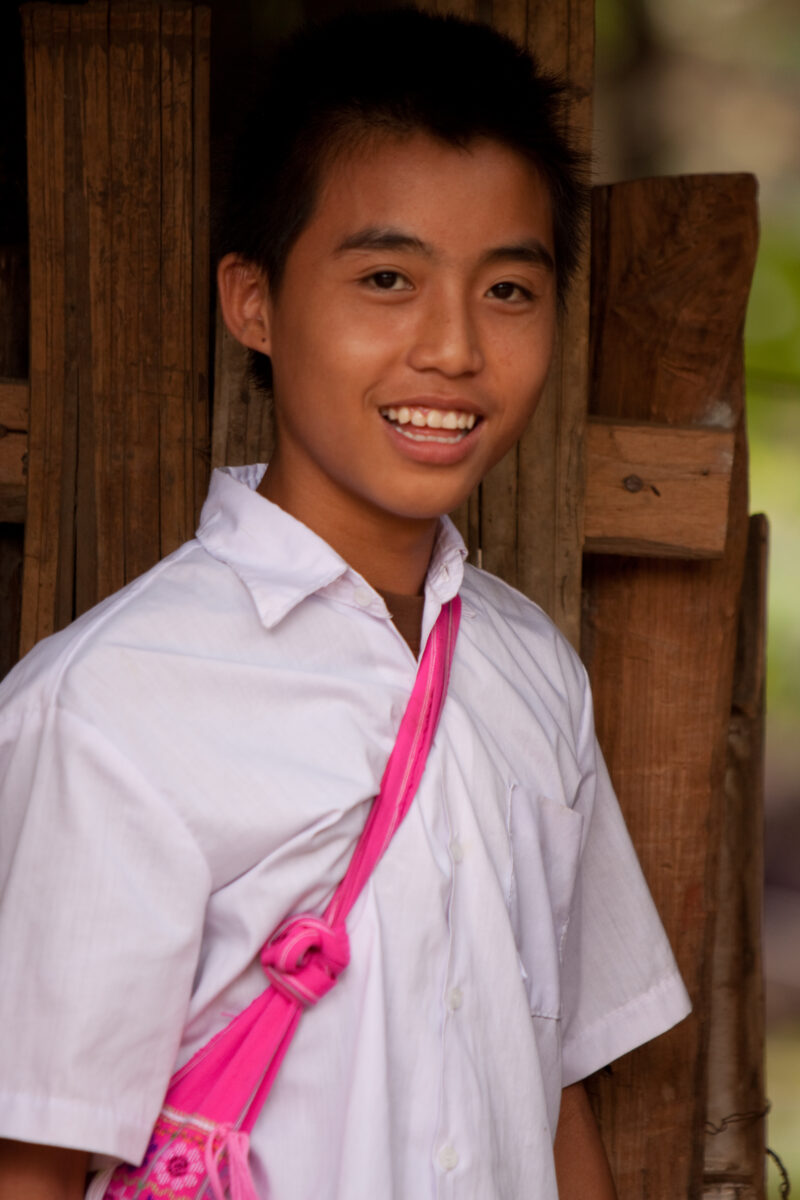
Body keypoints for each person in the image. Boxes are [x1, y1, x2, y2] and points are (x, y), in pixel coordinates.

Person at [0, 9, 691, 1198]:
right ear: (254, 302)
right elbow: (35, 1161)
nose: (452, 348)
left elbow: (550, 1087)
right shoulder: (103, 710)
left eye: (507, 289)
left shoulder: (529, 669)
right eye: (385, 279)